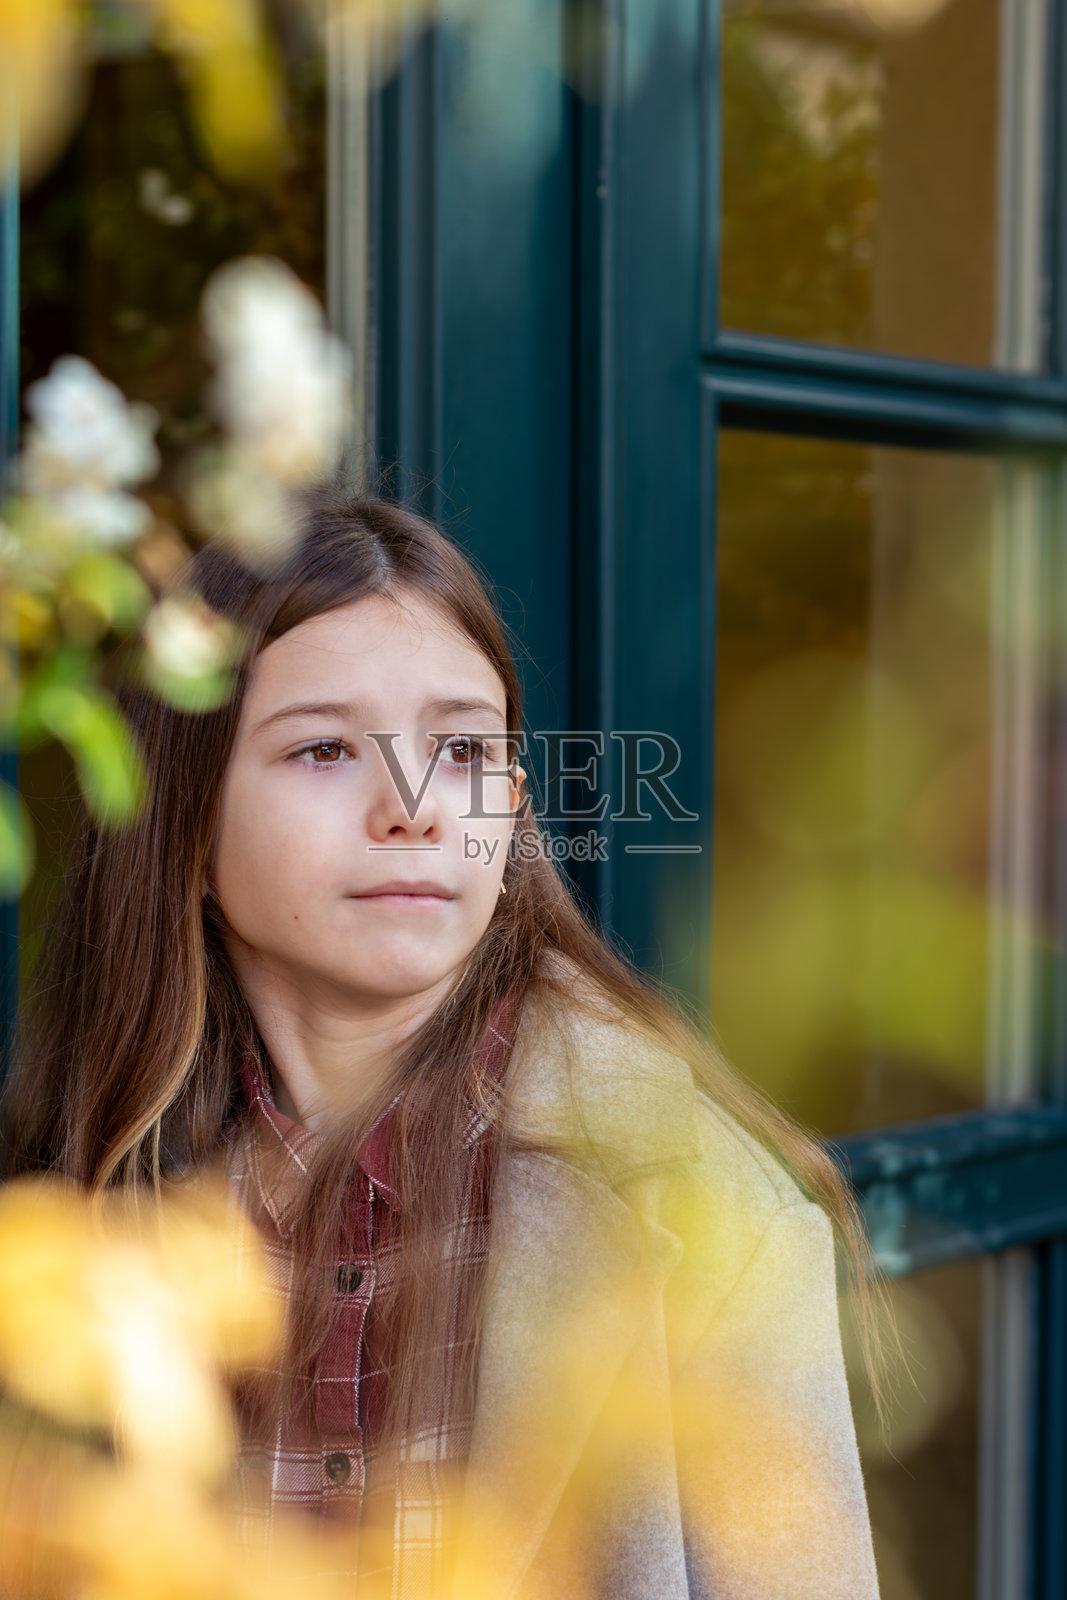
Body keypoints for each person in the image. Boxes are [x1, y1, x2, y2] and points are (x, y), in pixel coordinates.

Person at [1, 488, 882, 1599]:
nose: (414, 807)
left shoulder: (695, 1205)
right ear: (183, 820)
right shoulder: (74, 1196)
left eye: (460, 747)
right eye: (323, 749)